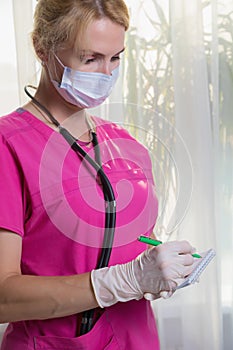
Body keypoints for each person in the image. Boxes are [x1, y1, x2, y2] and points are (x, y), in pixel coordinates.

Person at [0, 1, 197, 349]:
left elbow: (124, 253)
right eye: (90, 59)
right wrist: (116, 282)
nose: (106, 74)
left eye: (116, 57)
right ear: (42, 49)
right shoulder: (8, 146)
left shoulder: (128, 145)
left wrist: (161, 267)